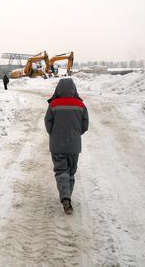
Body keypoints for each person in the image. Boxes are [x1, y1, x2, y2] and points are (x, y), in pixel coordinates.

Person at [44, 78, 89, 214]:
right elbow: (85, 125)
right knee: (70, 171)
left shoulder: (53, 104)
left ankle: (65, 198)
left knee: (61, 171)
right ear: (73, 89)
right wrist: (75, 134)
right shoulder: (80, 105)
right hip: (74, 145)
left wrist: (55, 134)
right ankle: (67, 196)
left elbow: (48, 123)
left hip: (57, 145)